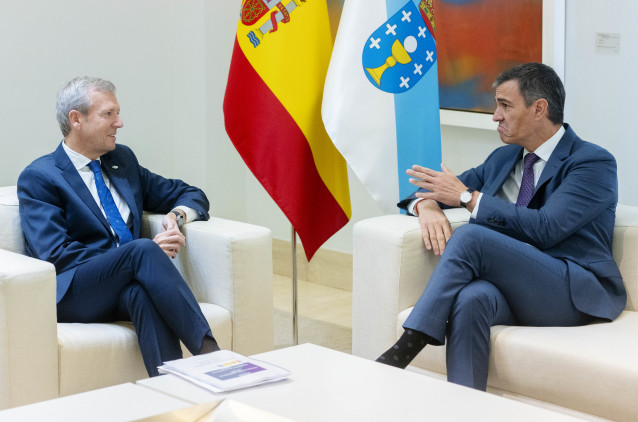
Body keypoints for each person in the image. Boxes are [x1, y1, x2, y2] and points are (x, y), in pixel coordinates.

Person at [375, 63, 626, 390]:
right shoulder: (503, 159)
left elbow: (547, 228)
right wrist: (427, 206)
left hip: (570, 290)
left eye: (505, 105)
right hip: (516, 287)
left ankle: (406, 346)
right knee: (472, 299)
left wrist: (466, 197)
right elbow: (428, 192)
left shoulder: (592, 162)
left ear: (539, 108)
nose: (495, 115)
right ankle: (466, 408)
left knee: (471, 237)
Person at [17, 76, 220, 377]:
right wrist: (132, 257)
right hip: (73, 291)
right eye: (108, 114)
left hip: (123, 286)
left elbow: (191, 193)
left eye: (118, 113)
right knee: (141, 251)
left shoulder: (121, 161)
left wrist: (176, 216)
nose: (119, 123)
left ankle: (177, 395)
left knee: (141, 293)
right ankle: (214, 357)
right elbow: (56, 255)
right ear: (76, 119)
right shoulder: (41, 177)